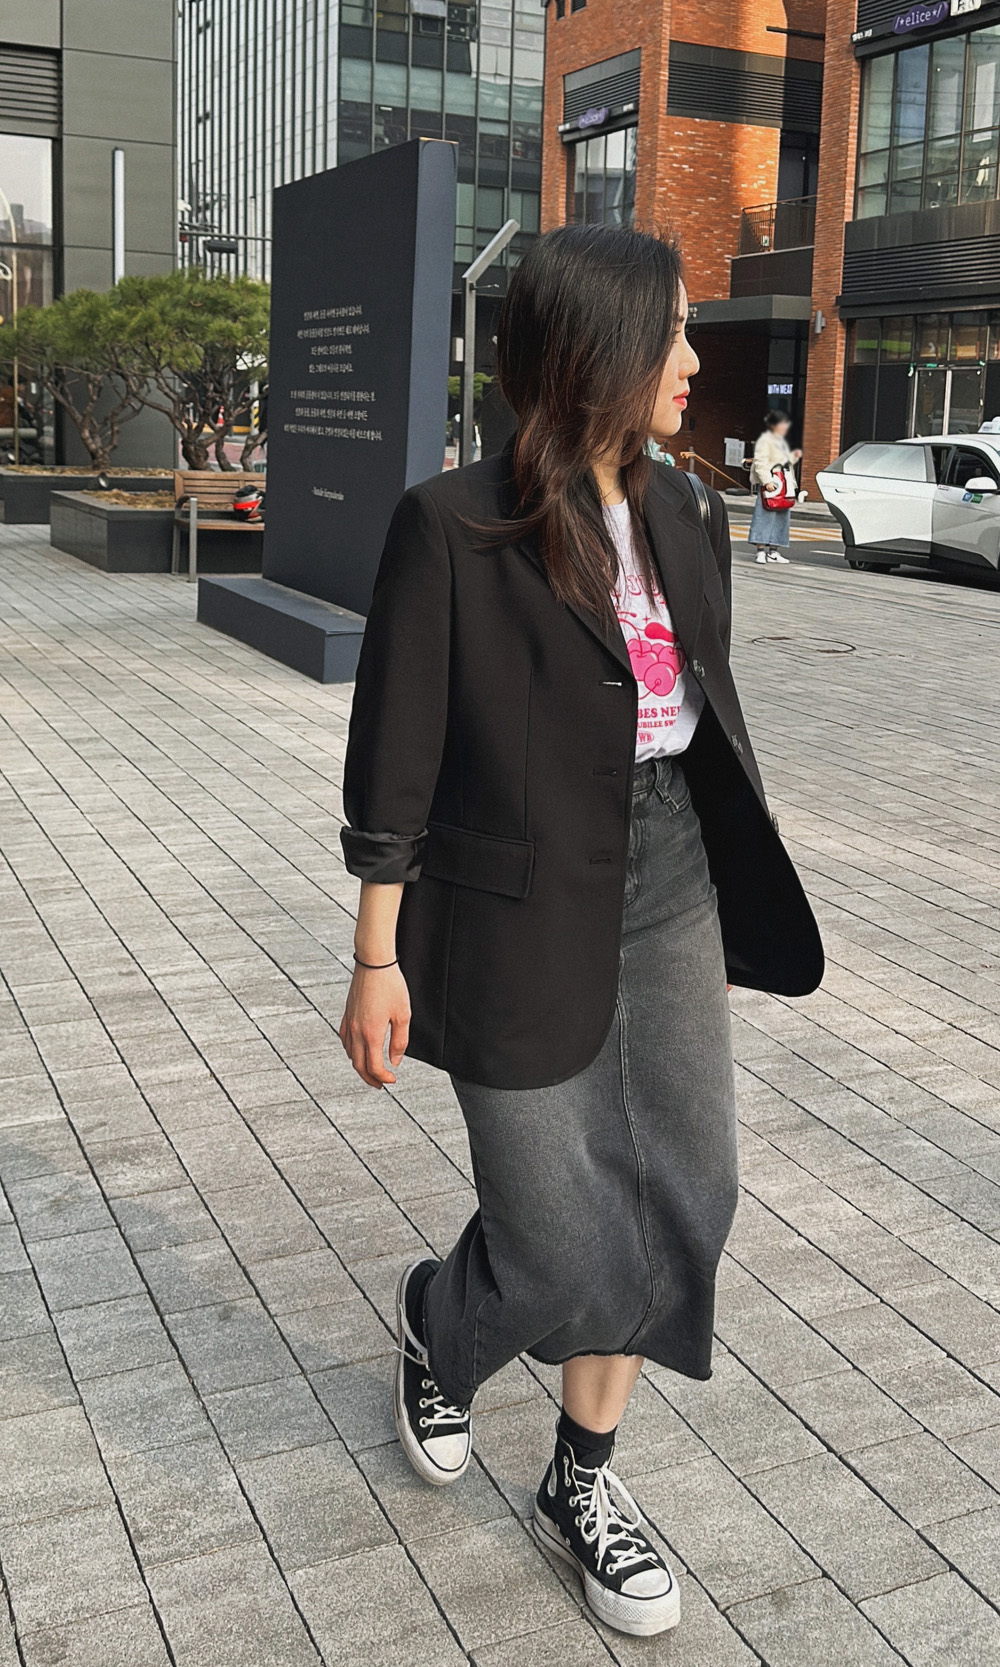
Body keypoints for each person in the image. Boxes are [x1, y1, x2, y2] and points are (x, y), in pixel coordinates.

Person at [338, 225, 823, 1640]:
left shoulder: (688, 509)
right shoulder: (451, 525)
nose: (693, 362)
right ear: (597, 348)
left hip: (669, 871)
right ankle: (442, 1322)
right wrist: (376, 954)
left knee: (684, 1192)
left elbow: (697, 712)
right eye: (671, 334)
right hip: (512, 900)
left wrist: (718, 885)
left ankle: (581, 1477)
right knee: (556, 1239)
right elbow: (393, 762)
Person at [749, 409, 801, 564]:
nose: (785, 426)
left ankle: (773, 551)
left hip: (783, 482)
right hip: (772, 481)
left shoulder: (781, 442)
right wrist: (766, 481)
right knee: (764, 515)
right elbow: (760, 463)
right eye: (782, 424)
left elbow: (785, 462)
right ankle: (760, 551)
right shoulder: (765, 440)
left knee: (781, 516)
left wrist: (794, 457)